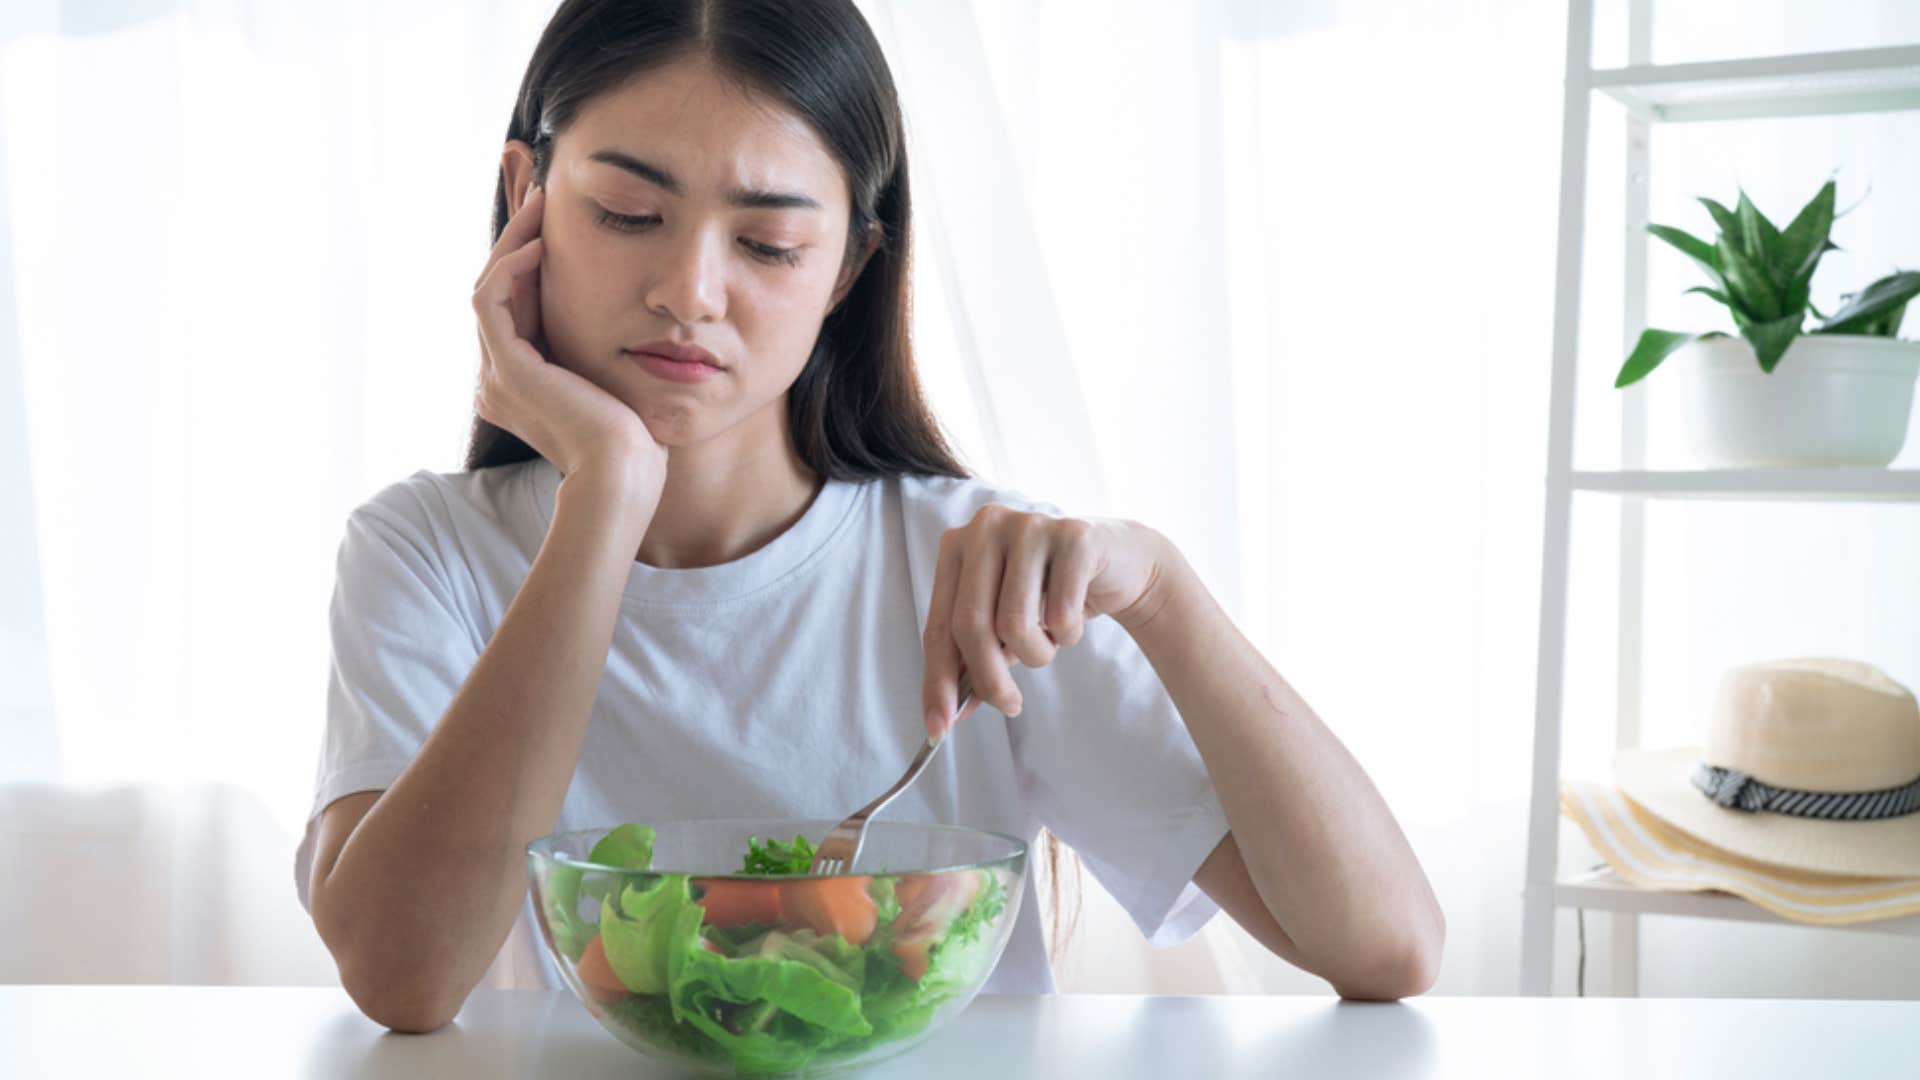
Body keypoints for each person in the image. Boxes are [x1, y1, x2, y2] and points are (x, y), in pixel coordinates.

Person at [295, 0, 1444, 1034]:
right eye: (629, 212)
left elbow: (1385, 947)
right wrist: (606, 491)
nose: (691, 289)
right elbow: (404, 976)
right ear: (525, 201)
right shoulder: (425, 553)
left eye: (767, 243)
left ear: (847, 266)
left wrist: (1159, 589)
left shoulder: (981, 567)